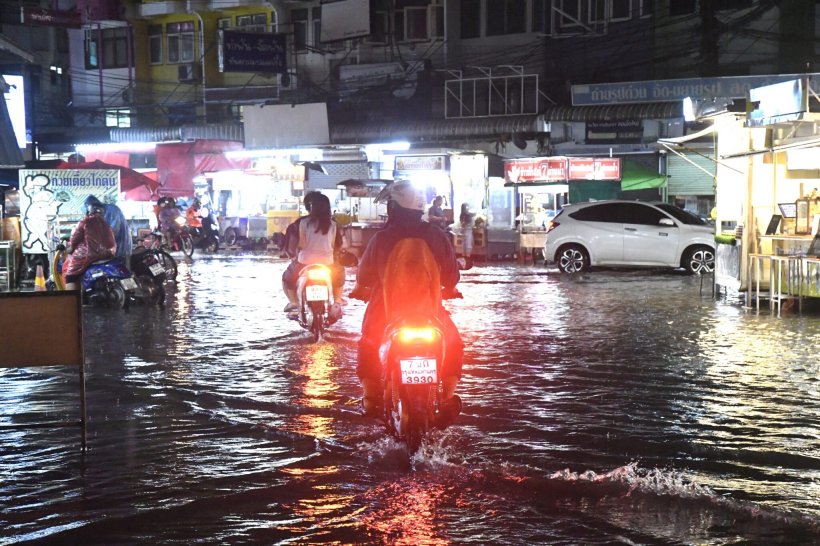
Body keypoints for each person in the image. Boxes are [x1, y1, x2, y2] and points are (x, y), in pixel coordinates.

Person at [351, 180, 463, 422]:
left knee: (368, 343)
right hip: (429, 313)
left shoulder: (381, 239)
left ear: (393, 208)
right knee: (453, 344)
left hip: (386, 313)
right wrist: (451, 288)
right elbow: (451, 275)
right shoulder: (436, 236)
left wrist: (360, 289)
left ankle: (371, 399)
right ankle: (447, 398)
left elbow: (364, 275)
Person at [281, 193, 344, 316]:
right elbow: (333, 245)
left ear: (312, 207)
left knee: (287, 278)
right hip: (328, 263)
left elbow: (302, 244)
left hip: (305, 262)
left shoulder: (303, 223)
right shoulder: (333, 224)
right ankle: (337, 300)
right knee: (340, 275)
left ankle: (293, 302)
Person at [63, 201, 117, 290]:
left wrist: (70, 249)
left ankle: (71, 300)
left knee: (70, 276)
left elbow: (74, 239)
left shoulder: (85, 222)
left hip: (89, 255)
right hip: (109, 254)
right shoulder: (106, 224)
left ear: (89, 211)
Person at [84, 195, 132, 264]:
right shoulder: (101, 215)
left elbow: (113, 231)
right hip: (114, 251)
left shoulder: (112, 210)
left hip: (122, 250)